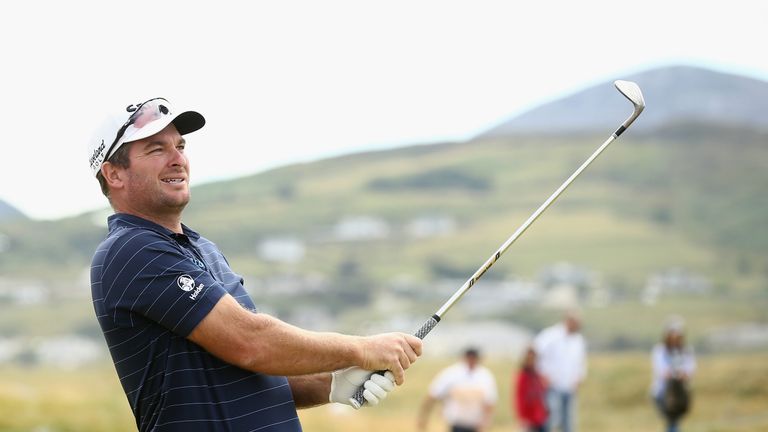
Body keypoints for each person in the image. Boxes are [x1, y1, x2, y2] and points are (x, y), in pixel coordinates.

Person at [88, 97, 423, 431]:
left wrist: (331, 384)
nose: (178, 159)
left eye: (180, 146)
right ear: (114, 174)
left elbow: (247, 370)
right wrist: (361, 349)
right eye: (156, 150)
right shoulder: (131, 250)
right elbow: (251, 342)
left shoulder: (203, 249)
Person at [417, 348, 497, 432]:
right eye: (470, 358)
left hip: (476, 425)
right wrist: (423, 417)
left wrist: (486, 421)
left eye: (474, 358)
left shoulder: (485, 376)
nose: (471, 361)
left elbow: (489, 402)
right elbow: (433, 395)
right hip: (456, 424)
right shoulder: (452, 374)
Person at [533, 311, 587, 432]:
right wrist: (541, 375)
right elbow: (535, 354)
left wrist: (579, 378)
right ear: (568, 321)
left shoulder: (578, 340)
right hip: (552, 386)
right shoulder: (550, 335)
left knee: (569, 421)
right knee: (552, 419)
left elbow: (580, 362)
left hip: (570, 387)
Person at [651, 316, 696, 432]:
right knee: (672, 420)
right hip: (663, 392)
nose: (675, 338)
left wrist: (683, 374)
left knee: (674, 421)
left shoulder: (686, 351)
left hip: (681, 393)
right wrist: (674, 375)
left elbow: (690, 369)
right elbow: (661, 371)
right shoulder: (660, 351)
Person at [513, 346, 548, 432]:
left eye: (533, 358)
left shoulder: (537, 375)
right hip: (529, 417)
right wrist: (522, 417)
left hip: (540, 416)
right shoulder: (522, 376)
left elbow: (541, 394)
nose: (531, 361)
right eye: (529, 359)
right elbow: (519, 398)